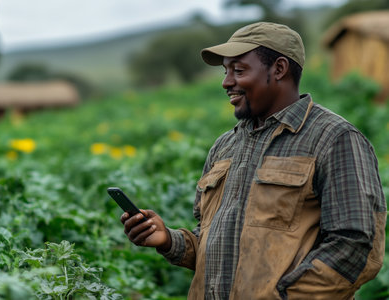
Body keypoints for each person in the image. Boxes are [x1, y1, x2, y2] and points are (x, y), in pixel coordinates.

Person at [121, 22, 386, 299]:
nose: (226, 82)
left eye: (239, 70)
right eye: (226, 71)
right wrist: (168, 240)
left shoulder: (334, 138)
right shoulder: (225, 146)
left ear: (279, 69)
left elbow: (354, 246)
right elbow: (220, 249)